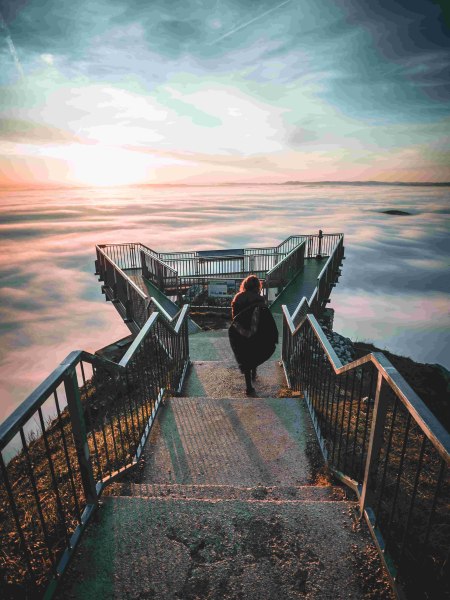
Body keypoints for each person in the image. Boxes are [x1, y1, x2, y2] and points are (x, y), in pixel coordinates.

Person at [229, 275, 279, 395]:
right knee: (254, 351)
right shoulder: (259, 300)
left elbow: (234, 317)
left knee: (245, 355)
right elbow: (265, 319)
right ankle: (254, 371)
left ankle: (248, 387)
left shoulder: (237, 298)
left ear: (245, 285)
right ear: (257, 287)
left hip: (239, 332)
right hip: (255, 332)